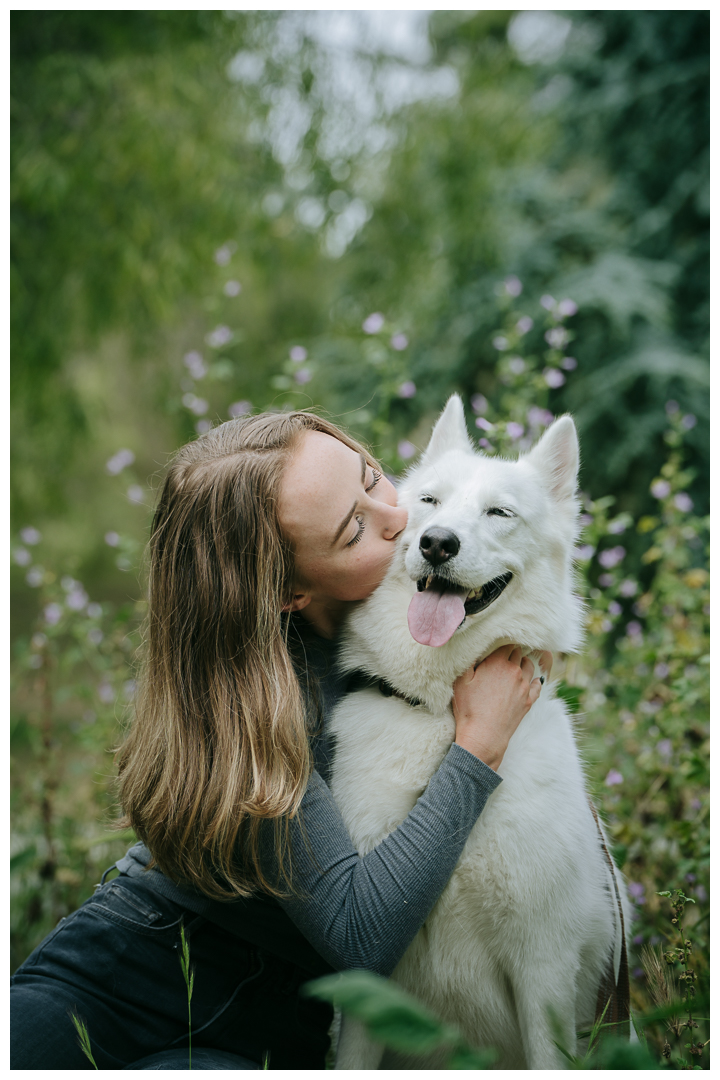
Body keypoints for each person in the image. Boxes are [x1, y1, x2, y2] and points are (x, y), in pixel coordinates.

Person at [11, 410, 548, 1070]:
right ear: (289, 590)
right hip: (120, 975)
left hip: (274, 1029)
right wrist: (478, 748)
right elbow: (361, 933)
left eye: (374, 477)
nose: (398, 516)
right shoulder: (254, 701)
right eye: (355, 529)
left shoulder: (413, 606)